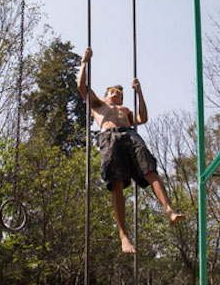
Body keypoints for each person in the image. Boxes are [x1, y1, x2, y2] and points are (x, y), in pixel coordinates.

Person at [77, 47, 184, 253]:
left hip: (130, 134)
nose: (116, 94)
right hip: (110, 136)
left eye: (119, 93)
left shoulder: (125, 111)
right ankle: (124, 236)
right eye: (112, 92)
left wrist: (139, 92)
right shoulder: (97, 104)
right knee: (116, 182)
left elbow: (142, 118)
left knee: (149, 169)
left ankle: (169, 209)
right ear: (106, 94)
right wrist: (84, 62)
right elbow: (81, 86)